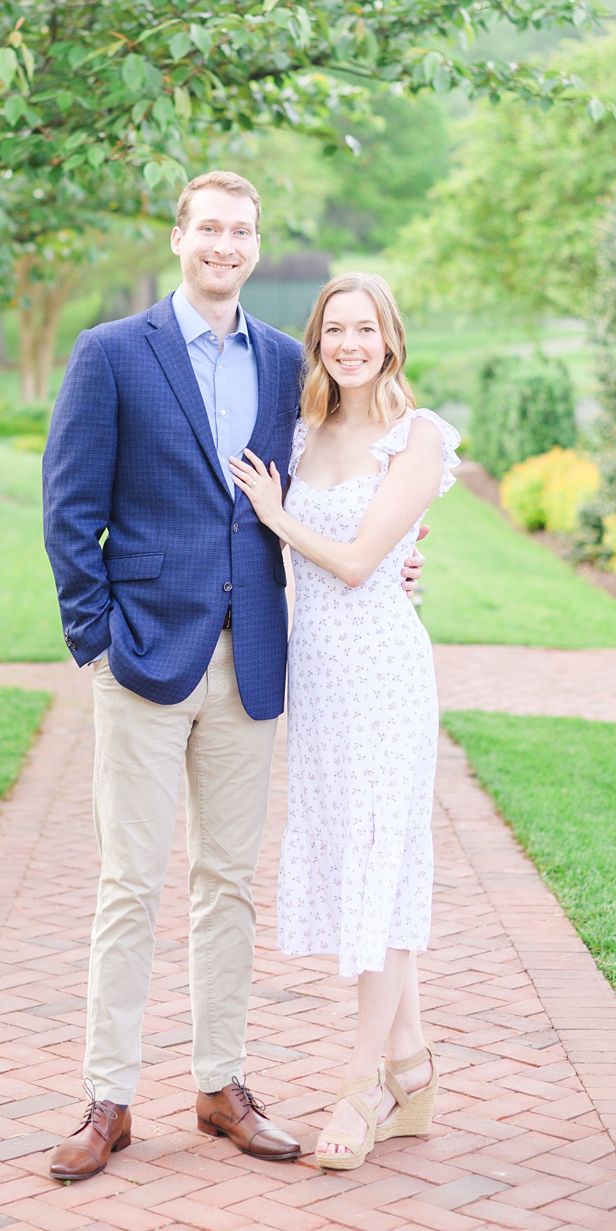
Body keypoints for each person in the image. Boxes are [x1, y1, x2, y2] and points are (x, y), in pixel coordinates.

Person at [38, 170, 309, 1180]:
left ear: (254, 243)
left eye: (241, 230)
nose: (224, 244)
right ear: (178, 236)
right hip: (144, 655)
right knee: (129, 881)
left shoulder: (283, 362)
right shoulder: (113, 353)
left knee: (228, 881)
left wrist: (392, 548)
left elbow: (312, 488)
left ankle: (219, 1083)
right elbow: (70, 509)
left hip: (252, 660)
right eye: (209, 228)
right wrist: (97, 638)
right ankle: (108, 1099)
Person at [227, 272, 454, 1169]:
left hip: (386, 675)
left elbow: (363, 563)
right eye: (334, 331)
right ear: (317, 342)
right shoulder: (304, 431)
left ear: (391, 338)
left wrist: (278, 518)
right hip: (319, 678)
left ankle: (360, 1090)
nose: (350, 344)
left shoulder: (420, 438)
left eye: (366, 329)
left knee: (382, 867)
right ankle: (415, 1069)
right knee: (361, 862)